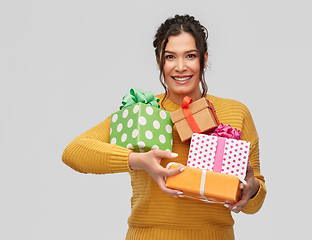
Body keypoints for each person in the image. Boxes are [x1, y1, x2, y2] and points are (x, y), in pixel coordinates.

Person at [62, 14, 266, 240]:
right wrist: (139, 161)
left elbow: (254, 202)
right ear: (160, 61)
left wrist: (252, 188)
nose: (180, 67)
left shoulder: (235, 113)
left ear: (204, 59)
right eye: (171, 57)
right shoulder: (141, 113)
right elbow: (74, 151)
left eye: (190, 56)